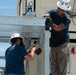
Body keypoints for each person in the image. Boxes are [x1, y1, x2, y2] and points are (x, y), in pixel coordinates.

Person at [44, 0, 71, 75]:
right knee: (54, 69)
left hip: (63, 45)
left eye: (62, 9)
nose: (59, 10)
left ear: (65, 10)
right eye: (59, 8)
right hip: (53, 45)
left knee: (62, 70)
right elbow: (47, 14)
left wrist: (51, 24)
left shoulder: (67, 19)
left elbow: (58, 28)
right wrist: (46, 17)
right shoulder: (54, 12)